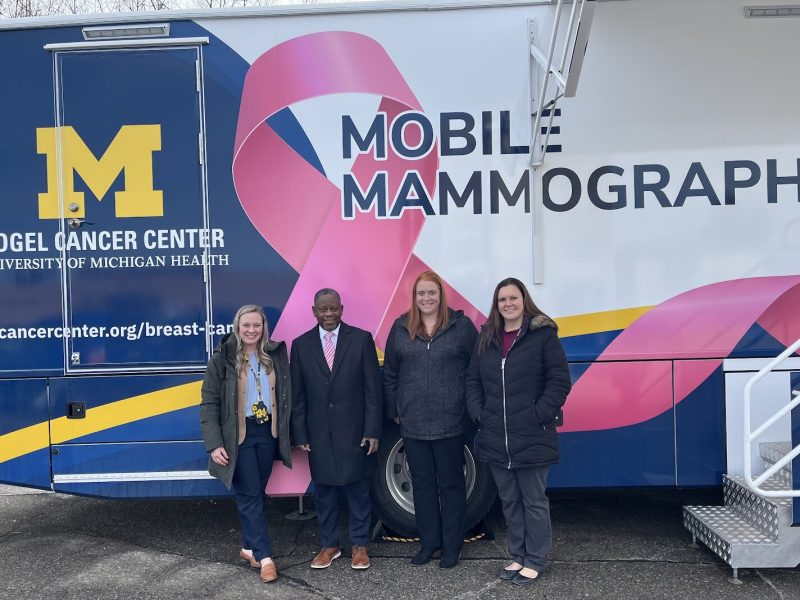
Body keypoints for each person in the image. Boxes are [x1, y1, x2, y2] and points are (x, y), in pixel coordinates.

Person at [466, 278, 571, 586]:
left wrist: (539, 415)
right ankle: (518, 554)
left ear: (524, 301)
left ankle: (536, 559)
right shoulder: (487, 338)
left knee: (533, 500)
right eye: (502, 300)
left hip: (532, 434)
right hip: (496, 434)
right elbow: (472, 380)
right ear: (496, 305)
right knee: (510, 500)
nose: (508, 304)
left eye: (513, 298)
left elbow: (559, 381)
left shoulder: (542, 336)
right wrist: (480, 415)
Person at [383, 271, 478, 569]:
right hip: (412, 424)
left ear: (441, 295)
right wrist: (394, 408)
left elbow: (476, 370)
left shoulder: (461, 327)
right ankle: (429, 543)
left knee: (451, 485)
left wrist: (467, 407)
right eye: (421, 293)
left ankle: (452, 547)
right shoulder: (400, 328)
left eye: (432, 293)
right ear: (415, 297)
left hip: (450, 421)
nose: (427, 298)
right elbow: (391, 375)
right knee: (423, 486)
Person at [199, 305, 292, 584]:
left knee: (256, 492)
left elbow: (286, 394)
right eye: (246, 326)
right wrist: (214, 444)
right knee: (249, 494)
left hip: (267, 432)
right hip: (238, 436)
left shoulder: (273, 355)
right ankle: (264, 557)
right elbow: (209, 403)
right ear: (236, 328)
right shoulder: (223, 358)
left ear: (264, 328)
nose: (252, 330)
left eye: (257, 325)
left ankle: (248, 547)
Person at [290, 288, 382, 570]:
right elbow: (299, 395)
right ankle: (329, 545)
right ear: (314, 311)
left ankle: (360, 545)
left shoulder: (361, 339)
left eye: (333, 309)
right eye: (323, 309)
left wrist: (372, 430)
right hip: (319, 434)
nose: (329, 314)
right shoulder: (301, 344)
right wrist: (301, 434)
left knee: (358, 491)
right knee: (325, 493)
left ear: (341, 308)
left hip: (355, 431)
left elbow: (372, 391)